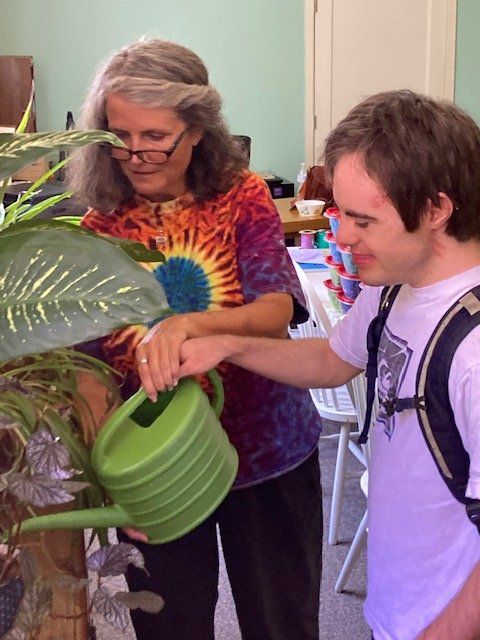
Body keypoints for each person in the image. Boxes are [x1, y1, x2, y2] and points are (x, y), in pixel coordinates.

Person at [168, 90, 480, 640]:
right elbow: (333, 358)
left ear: (436, 209)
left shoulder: (473, 353)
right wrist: (227, 345)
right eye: (340, 213)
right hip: (402, 604)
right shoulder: (394, 289)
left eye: (363, 220)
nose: (340, 235)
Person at [68, 38, 323, 640]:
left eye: (155, 136)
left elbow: (275, 311)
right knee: (169, 626)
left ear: (199, 130)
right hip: (161, 470)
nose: (135, 153)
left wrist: (188, 324)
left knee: (280, 623)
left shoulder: (243, 198)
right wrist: (114, 476)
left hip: (267, 454)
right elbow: (89, 368)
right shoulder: (95, 233)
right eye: (118, 134)